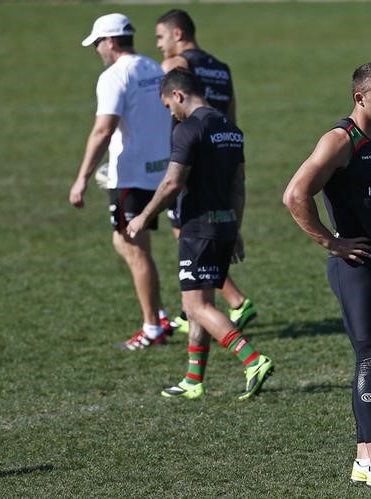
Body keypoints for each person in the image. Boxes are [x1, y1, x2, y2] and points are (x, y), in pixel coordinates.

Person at [283, 62, 371, 492]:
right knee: (369, 356)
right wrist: (332, 242)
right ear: (360, 97)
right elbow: (295, 193)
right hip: (355, 267)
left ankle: (364, 459)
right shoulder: (342, 141)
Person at [126, 68, 273, 400]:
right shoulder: (231, 130)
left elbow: (172, 182)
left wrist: (143, 216)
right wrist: (236, 227)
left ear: (178, 95)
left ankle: (253, 360)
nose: (170, 113)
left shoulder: (188, 129)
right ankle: (194, 380)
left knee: (195, 307)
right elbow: (239, 186)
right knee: (200, 302)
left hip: (198, 229)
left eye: (168, 106)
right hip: (223, 226)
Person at [70, 13, 173, 350]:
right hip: (159, 171)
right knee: (131, 244)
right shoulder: (153, 68)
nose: (98, 49)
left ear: (111, 41)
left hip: (130, 175)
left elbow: (103, 129)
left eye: (98, 42)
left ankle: (152, 326)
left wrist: (82, 177)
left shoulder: (114, 76)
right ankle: (158, 315)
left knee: (131, 246)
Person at [154, 9, 256, 335]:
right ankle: (200, 307)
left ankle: (219, 303)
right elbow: (231, 115)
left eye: (160, 37)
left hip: (188, 156)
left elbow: (164, 107)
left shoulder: (176, 66)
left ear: (178, 34)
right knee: (200, 234)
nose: (159, 45)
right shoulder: (222, 69)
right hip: (223, 152)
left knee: (190, 234)